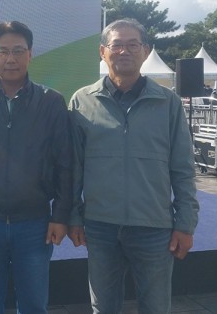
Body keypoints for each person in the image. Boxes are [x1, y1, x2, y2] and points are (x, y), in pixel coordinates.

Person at [68, 18, 199, 314]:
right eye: (116, 45)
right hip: (100, 226)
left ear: (146, 51)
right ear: (102, 51)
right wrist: (74, 216)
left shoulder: (168, 102)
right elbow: (73, 168)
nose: (124, 51)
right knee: (104, 307)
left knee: (155, 307)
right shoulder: (82, 101)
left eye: (132, 45)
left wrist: (185, 222)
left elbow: (183, 168)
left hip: (154, 227)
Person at [0, 21, 73, 314]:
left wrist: (60, 215)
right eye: (3, 51)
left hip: (34, 222)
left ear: (30, 54)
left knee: (33, 305)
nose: (11, 59)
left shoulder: (51, 102)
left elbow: (65, 163)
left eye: (18, 51)